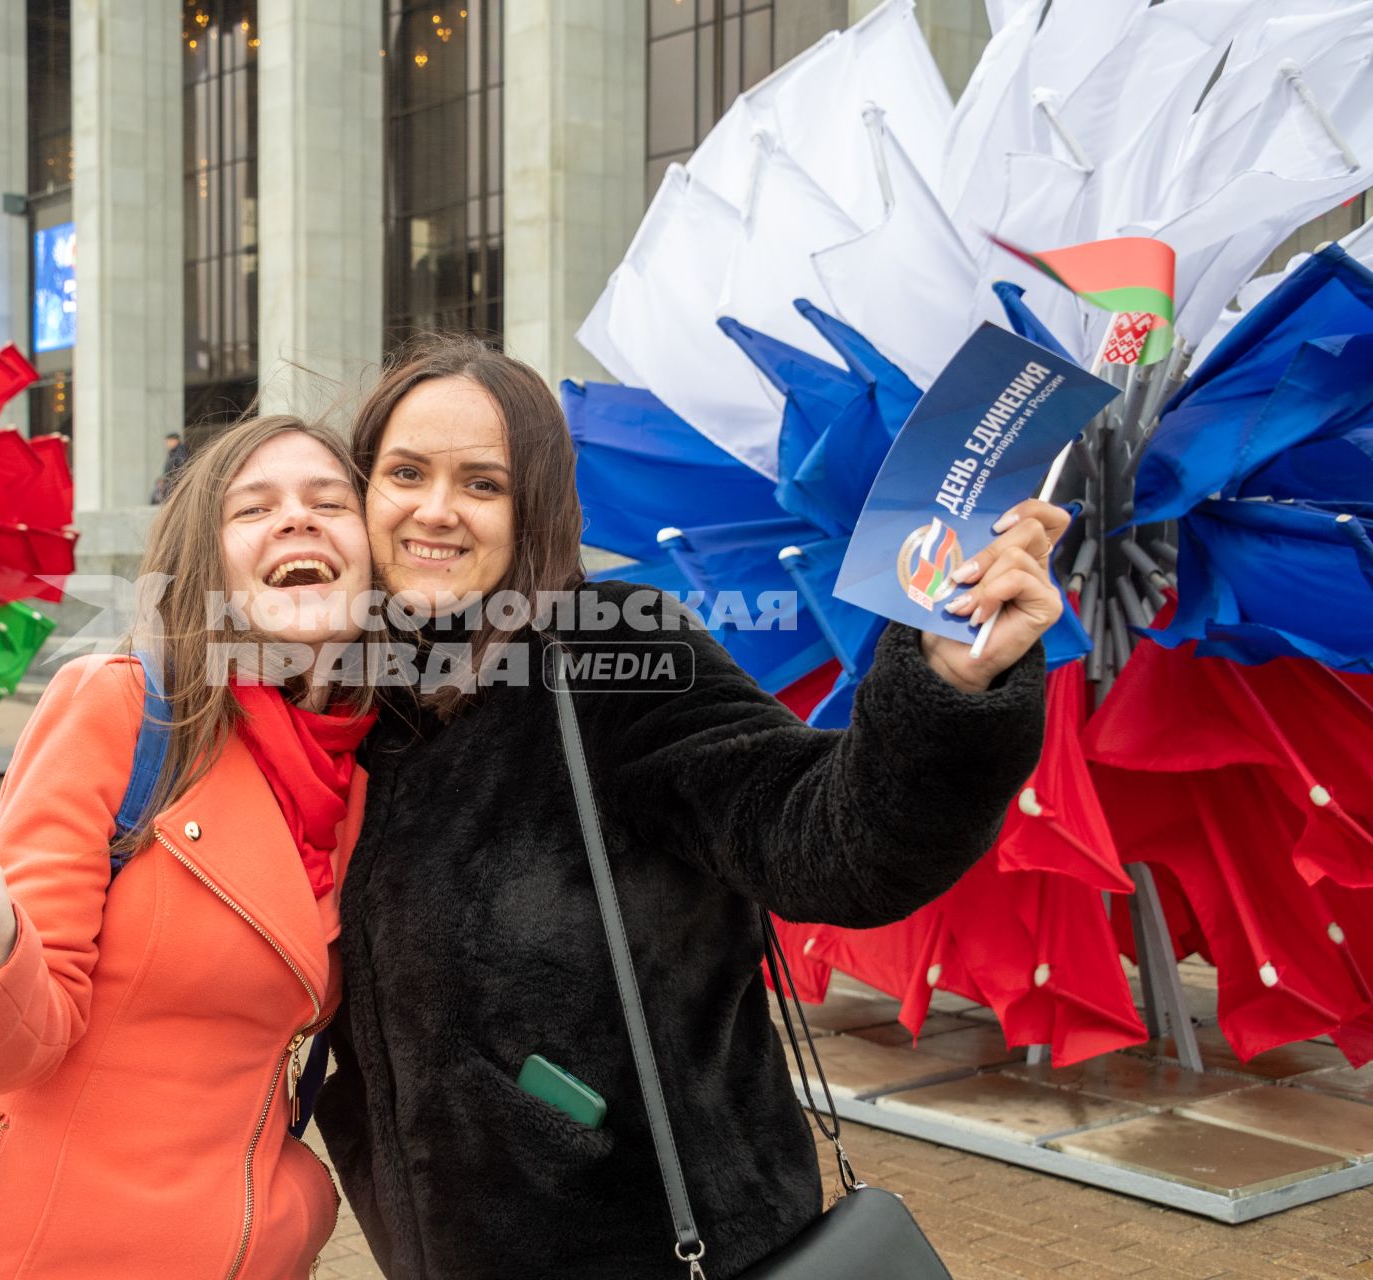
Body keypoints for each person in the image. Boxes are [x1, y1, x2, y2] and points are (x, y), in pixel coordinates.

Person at [314, 335, 1061, 1278]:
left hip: (665, 1249)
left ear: (536, 507)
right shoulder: (346, 701)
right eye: (406, 473)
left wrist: (947, 688)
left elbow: (828, 837)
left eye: (483, 484)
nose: (435, 510)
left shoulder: (615, 660)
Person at [0, 414, 377, 1279]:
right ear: (206, 567)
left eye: (329, 502)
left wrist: (297, 1206)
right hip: (39, 1250)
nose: (297, 519)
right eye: (252, 508)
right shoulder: (119, 710)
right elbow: (10, 1055)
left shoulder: (376, 770)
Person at [151, 429, 191, 504]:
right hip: (170, 483)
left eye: (168, 441)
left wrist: (171, 482)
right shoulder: (173, 452)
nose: (167, 444)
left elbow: (182, 469)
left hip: (174, 485)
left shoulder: (181, 452)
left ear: (175, 440)